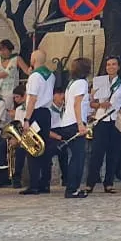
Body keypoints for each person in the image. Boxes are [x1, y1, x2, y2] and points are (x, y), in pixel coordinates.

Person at [85, 55, 121, 194]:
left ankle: (109, 182)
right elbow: (91, 103)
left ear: (119, 67)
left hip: (115, 119)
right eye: (108, 64)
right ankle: (90, 182)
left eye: (114, 64)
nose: (111, 67)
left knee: (113, 152)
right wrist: (99, 103)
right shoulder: (100, 82)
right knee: (97, 153)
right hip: (101, 119)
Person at [52, 57, 91, 198]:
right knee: (78, 158)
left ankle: (71, 187)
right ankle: (72, 188)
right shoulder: (82, 83)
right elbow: (77, 104)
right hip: (75, 123)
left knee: (74, 156)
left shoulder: (72, 83)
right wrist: (81, 124)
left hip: (67, 122)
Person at [19, 49, 56, 195]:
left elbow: (32, 98)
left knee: (32, 147)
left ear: (33, 61)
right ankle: (44, 183)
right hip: (46, 113)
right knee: (44, 147)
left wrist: (27, 119)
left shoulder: (35, 76)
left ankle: (33, 184)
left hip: (35, 113)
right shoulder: (50, 75)